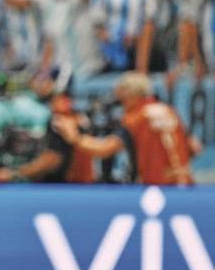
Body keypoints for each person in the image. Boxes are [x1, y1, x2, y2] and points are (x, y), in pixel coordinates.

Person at [53, 72, 199, 185]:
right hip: (185, 183)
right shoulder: (169, 111)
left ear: (129, 95)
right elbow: (195, 147)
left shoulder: (137, 119)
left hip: (158, 187)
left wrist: (73, 137)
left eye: (121, 99)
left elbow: (104, 149)